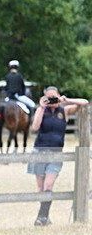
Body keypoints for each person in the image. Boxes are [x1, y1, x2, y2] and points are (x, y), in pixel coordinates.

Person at [28, 86, 88, 226]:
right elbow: (35, 127)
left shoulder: (64, 111)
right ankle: (45, 217)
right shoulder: (42, 110)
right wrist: (41, 107)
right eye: (49, 97)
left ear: (58, 96)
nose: (52, 100)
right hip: (40, 151)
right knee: (41, 188)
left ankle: (41, 217)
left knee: (49, 185)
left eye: (54, 97)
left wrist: (66, 100)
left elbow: (84, 102)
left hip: (56, 153)